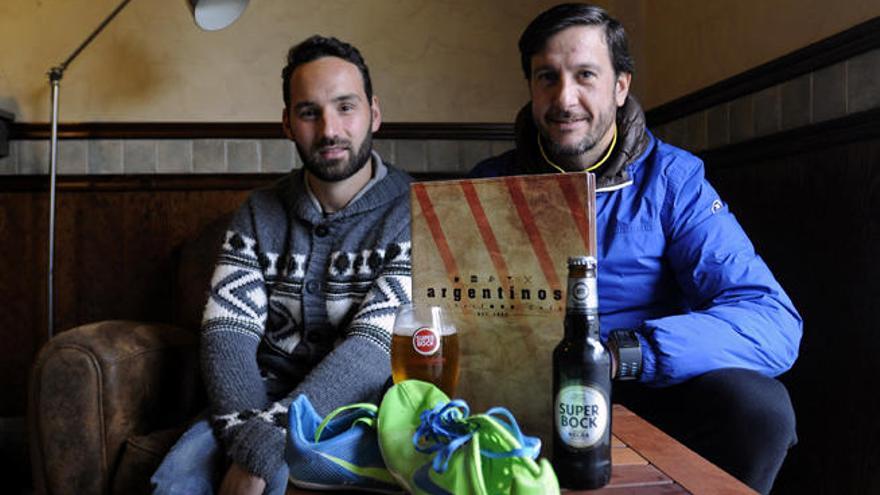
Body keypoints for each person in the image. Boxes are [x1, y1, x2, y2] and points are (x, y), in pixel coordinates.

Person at [470, 4, 802, 494]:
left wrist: (630, 353)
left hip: (646, 384)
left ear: (620, 85)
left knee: (761, 409)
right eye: (547, 78)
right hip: (523, 396)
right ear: (531, 87)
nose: (565, 98)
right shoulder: (488, 186)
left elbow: (772, 321)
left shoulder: (673, 180)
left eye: (585, 75)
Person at [151, 35, 412, 495]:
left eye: (345, 107)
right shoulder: (258, 213)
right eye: (309, 112)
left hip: (360, 409)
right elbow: (227, 336)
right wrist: (246, 437)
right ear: (288, 124)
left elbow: (371, 350)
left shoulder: (416, 214)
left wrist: (263, 450)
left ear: (374, 113)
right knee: (176, 483)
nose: (329, 129)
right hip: (253, 402)